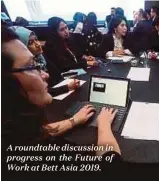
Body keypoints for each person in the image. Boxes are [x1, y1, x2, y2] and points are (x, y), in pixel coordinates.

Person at [2, 26, 121, 179]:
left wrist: (73, 120)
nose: (44, 74)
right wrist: (104, 125)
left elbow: (41, 132)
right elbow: (111, 168)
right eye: (31, 67)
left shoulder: (14, 131)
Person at [10, 26, 81, 96]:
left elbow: (57, 75)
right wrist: (67, 87)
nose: (38, 44)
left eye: (36, 39)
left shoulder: (41, 57)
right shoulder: (24, 70)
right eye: (31, 43)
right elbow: (41, 93)